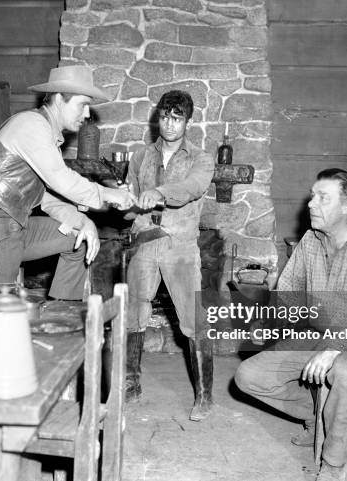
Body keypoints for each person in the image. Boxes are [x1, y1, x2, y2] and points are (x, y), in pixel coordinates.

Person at [234, 169, 347, 481]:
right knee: (249, 376)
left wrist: (336, 348)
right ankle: (318, 420)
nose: (311, 203)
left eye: (323, 198)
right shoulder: (310, 240)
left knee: (346, 369)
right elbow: (290, 294)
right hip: (320, 336)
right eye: (313, 195)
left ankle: (333, 466)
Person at [0, 65, 136, 299]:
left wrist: (83, 222)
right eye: (82, 105)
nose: (86, 114)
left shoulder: (47, 134)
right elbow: (61, 179)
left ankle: (63, 315)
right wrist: (110, 194)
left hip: (15, 227)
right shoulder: (31, 125)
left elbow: (44, 196)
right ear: (59, 98)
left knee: (79, 240)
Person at [124, 90, 215, 421]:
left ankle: (204, 396)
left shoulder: (201, 159)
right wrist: (120, 204)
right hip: (146, 242)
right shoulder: (141, 156)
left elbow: (192, 188)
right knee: (133, 314)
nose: (169, 124)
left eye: (177, 118)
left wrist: (158, 192)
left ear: (188, 122)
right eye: (164, 117)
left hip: (180, 245)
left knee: (193, 320)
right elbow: (132, 200)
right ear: (157, 118)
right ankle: (130, 385)